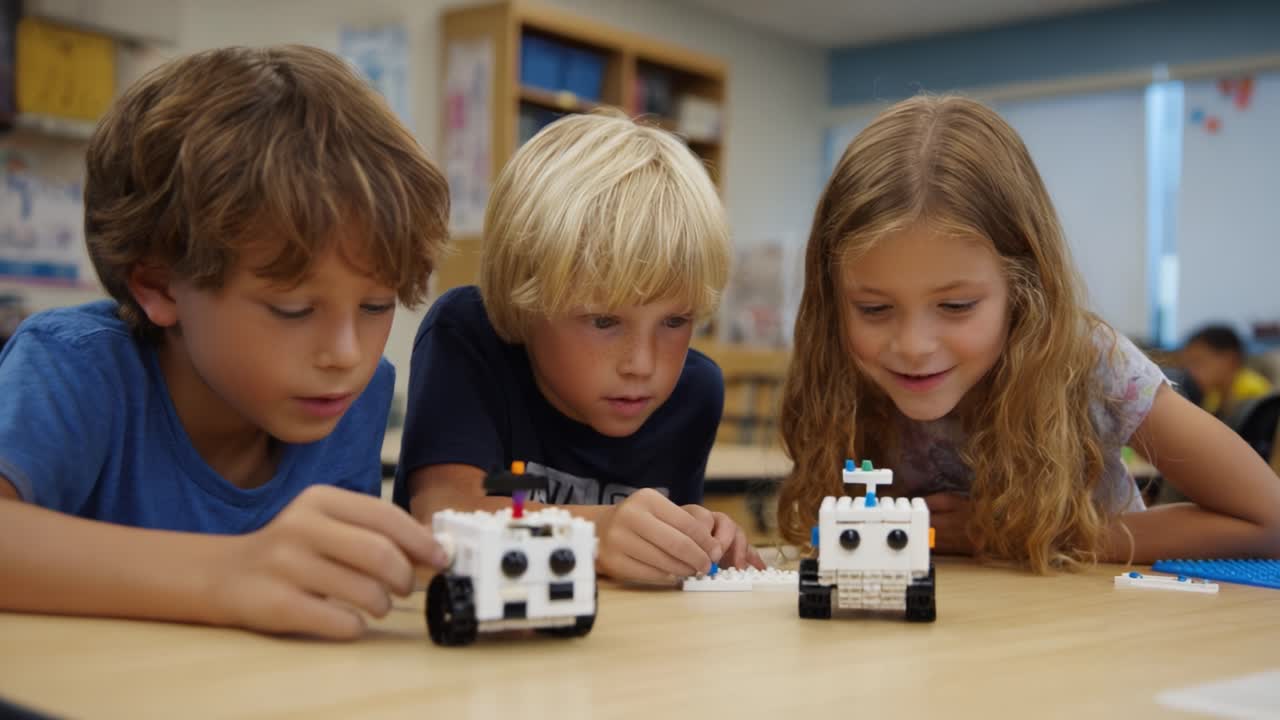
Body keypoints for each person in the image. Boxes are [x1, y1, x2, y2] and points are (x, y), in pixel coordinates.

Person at [0, 45, 452, 639]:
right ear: (160, 285)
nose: (347, 355)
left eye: (375, 305)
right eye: (292, 308)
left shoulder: (354, 402)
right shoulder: (74, 368)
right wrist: (229, 574)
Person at [776, 95, 1280, 571]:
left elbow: (1268, 521)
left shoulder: (1089, 364)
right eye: (873, 308)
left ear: (1023, 285)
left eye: (956, 305)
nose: (912, 345)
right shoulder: (840, 364)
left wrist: (1026, 536)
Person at [396, 110, 764, 584]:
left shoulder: (695, 392)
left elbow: (645, 571)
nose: (642, 364)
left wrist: (692, 536)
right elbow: (444, 515)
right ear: (525, 301)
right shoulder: (470, 337)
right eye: (605, 320)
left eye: (675, 321)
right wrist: (594, 533)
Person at [1181, 324, 1272, 419]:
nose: (1191, 372)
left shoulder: (1254, 393)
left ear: (1230, 359)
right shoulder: (1213, 397)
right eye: (1188, 366)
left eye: (1198, 362)